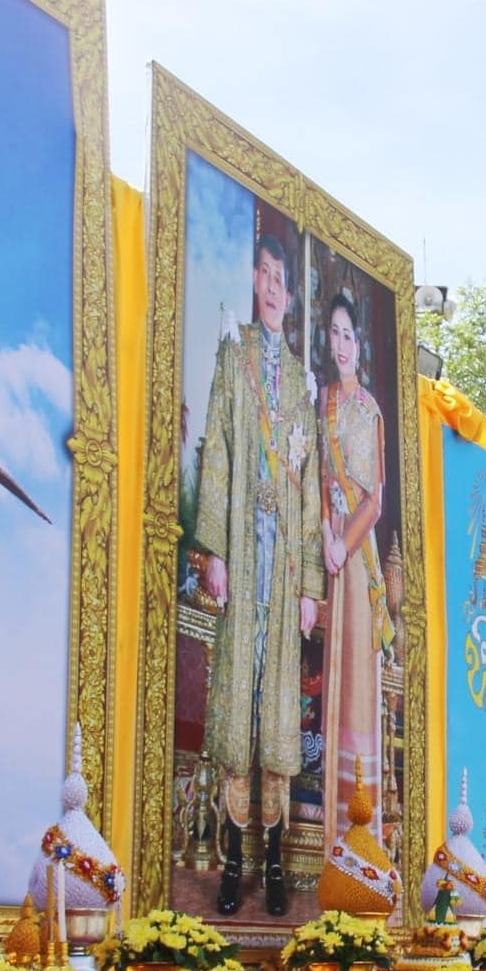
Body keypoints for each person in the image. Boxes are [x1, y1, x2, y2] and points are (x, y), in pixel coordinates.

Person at [193, 230, 324, 916]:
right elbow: (216, 447)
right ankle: (232, 858)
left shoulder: (301, 381)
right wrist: (213, 545)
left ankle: (273, 860)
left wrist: (308, 585)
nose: (273, 286)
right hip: (245, 549)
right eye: (265, 274)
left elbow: (305, 485)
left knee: (275, 708)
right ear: (253, 280)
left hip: (284, 564)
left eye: (282, 278)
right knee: (238, 694)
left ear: (291, 296)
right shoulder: (233, 353)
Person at [314, 290, 397, 914]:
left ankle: (358, 834)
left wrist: (342, 544)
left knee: (358, 688)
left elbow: (374, 498)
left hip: (357, 555)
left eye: (349, 334)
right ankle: (326, 848)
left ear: (361, 346)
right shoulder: (323, 401)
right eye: (334, 334)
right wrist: (321, 528)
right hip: (326, 549)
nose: (342, 343)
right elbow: (321, 476)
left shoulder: (368, 411)